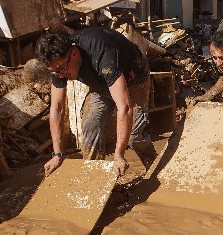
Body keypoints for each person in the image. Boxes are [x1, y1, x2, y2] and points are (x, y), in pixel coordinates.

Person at [35, 28, 153, 177]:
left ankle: (154, 167)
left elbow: (125, 107)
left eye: (62, 69)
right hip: (101, 85)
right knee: (90, 124)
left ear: (74, 53)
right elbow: (57, 108)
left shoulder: (103, 51)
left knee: (134, 135)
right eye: (55, 72)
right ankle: (95, 178)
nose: (60, 75)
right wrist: (57, 154)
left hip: (134, 79)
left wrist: (119, 154)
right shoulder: (59, 62)